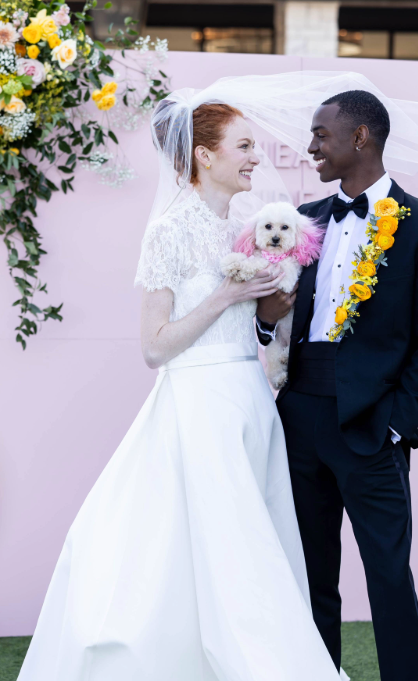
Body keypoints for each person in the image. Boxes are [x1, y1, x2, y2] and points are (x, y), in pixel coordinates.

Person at [17, 101, 341, 681]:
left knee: (253, 556)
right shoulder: (169, 232)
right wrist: (225, 296)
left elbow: (255, 327)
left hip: (250, 401)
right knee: (213, 552)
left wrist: (270, 308)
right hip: (199, 409)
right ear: (204, 155)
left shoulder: (244, 233)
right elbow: (154, 347)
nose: (254, 158)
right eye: (243, 146)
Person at [257, 90, 418, 681]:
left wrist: (396, 422)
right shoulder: (305, 220)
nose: (311, 147)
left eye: (321, 135)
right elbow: (275, 316)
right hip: (299, 418)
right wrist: (266, 319)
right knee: (311, 575)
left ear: (360, 138)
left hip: (374, 426)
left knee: (389, 576)